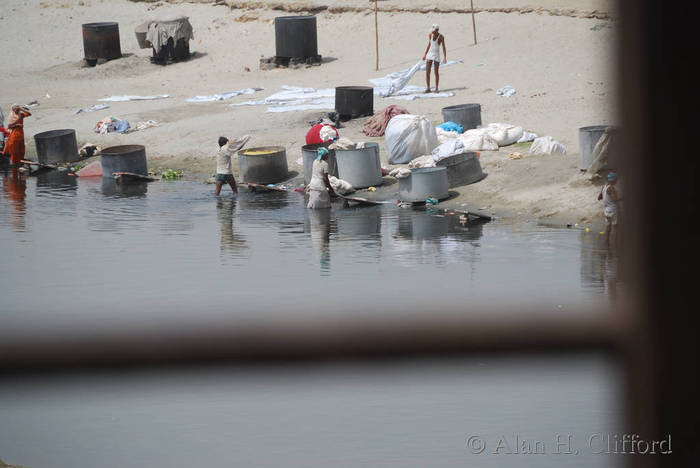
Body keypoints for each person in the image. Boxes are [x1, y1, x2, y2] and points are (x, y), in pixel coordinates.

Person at [598, 171, 622, 248]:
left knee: (608, 227)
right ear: (613, 180)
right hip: (613, 210)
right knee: (615, 228)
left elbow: (599, 198)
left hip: (606, 211)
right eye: (616, 180)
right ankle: (615, 245)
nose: (616, 181)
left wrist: (605, 197)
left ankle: (606, 243)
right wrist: (622, 198)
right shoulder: (611, 188)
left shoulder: (603, 186)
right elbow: (614, 199)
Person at [422, 24, 447, 93]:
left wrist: (445, 57)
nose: (433, 32)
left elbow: (443, 47)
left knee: (436, 72)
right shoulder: (430, 35)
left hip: (436, 54)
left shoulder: (441, 37)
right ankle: (428, 88)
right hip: (430, 54)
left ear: (437, 30)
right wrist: (425, 54)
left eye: (434, 31)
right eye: (432, 31)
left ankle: (436, 88)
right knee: (427, 71)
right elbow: (429, 44)